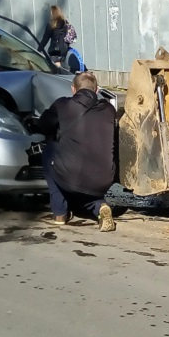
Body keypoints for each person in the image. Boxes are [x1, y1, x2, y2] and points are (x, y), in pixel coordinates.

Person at [36, 70, 117, 231]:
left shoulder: (63, 105)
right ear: (97, 90)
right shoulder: (109, 109)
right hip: (104, 179)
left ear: (73, 89)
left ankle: (60, 212)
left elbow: (42, 126)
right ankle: (100, 206)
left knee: (50, 151)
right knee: (87, 194)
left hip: (72, 176)